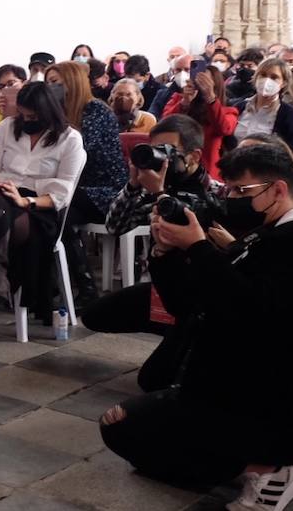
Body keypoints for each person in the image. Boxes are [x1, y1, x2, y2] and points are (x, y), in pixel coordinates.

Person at [99, 143, 293, 508]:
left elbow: (253, 310)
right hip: (221, 386)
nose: (231, 199)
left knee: (129, 429)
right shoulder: (265, 232)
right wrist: (166, 254)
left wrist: (199, 248)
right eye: (228, 189)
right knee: (123, 429)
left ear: (278, 189)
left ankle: (274, 464)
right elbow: (189, 305)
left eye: (242, 191)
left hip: (268, 399)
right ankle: (255, 458)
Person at [82, 114, 222, 387]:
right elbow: (115, 226)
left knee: (152, 382)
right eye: (155, 150)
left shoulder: (217, 193)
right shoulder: (151, 188)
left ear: (194, 155)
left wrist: (159, 194)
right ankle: (174, 332)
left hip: (199, 299)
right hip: (163, 290)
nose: (161, 160)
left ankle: (186, 336)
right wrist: (133, 186)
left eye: (167, 152)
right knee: (95, 315)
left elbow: (178, 224)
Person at [0, 82, 85, 346]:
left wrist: (25, 200)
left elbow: (61, 195)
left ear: (50, 112)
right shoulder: (6, 128)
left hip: (37, 210)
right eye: (23, 115)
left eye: (33, 117)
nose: (27, 121)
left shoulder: (69, 139)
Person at [46, 61, 126, 304]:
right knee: (54, 213)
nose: (51, 88)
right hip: (77, 188)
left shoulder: (96, 111)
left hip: (106, 190)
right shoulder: (57, 113)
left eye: (55, 83)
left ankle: (83, 287)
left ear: (71, 83)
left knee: (59, 207)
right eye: (48, 83)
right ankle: (63, 284)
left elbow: (78, 151)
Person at [160, 64, 239, 173]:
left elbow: (224, 128)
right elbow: (164, 125)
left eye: (205, 80)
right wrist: (185, 103)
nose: (200, 84)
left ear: (215, 84)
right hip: (174, 162)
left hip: (206, 168)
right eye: (198, 79)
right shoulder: (178, 99)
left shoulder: (227, 110)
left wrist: (211, 98)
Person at [232, 57, 293, 159]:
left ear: (283, 83)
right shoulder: (240, 107)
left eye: (274, 77)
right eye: (263, 75)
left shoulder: (290, 115)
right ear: (256, 77)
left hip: (268, 169)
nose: (267, 81)